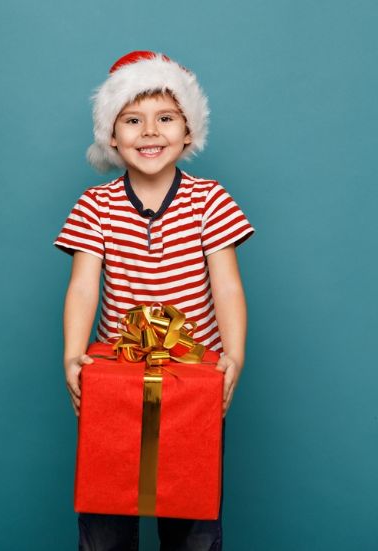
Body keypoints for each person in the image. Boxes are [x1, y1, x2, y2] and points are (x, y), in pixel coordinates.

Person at [53, 51, 254, 550]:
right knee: (105, 521)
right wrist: (73, 355)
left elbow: (226, 284)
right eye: (133, 120)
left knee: (193, 523)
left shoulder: (210, 200)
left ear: (188, 132)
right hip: (115, 380)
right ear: (111, 136)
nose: (149, 132)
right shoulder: (94, 205)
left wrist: (235, 355)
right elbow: (82, 286)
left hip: (193, 379)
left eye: (166, 118)